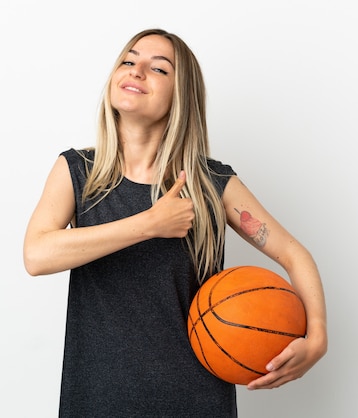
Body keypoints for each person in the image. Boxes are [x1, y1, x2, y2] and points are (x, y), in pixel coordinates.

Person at [23, 28, 327, 417]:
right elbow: (36, 255)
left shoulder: (210, 184)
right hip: (97, 398)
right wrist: (148, 224)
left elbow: (292, 252)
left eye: (158, 68)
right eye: (129, 61)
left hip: (195, 399)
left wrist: (317, 337)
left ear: (181, 94)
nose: (136, 71)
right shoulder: (78, 171)